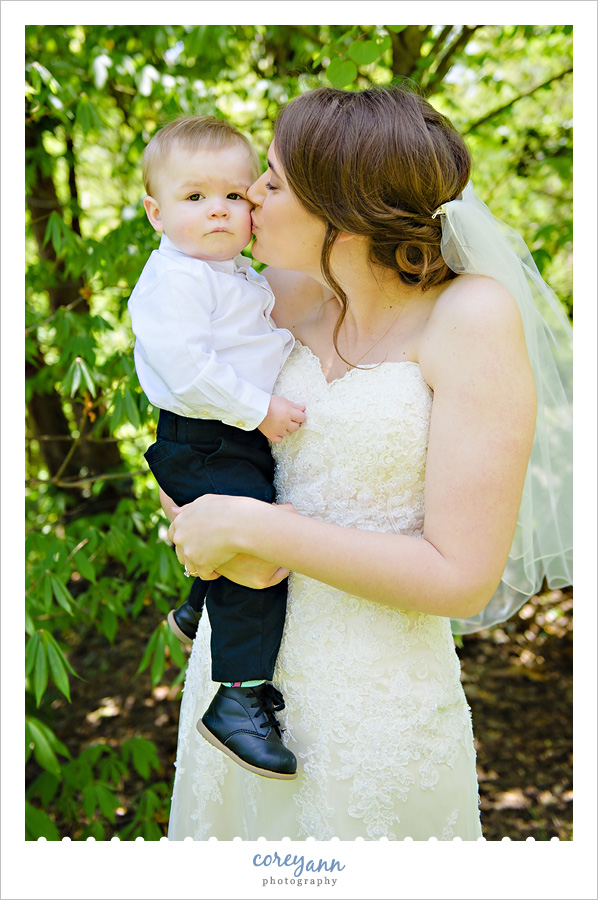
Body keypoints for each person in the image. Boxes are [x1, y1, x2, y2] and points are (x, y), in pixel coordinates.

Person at [163, 86, 573, 840]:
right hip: (235, 678)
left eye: (275, 182)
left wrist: (259, 530)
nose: (250, 194)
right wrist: (194, 518)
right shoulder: (270, 298)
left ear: (342, 211)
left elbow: (461, 576)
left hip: (376, 705)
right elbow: (190, 427)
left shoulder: (469, 317)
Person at [128, 116, 308, 780]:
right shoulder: (176, 279)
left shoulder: (231, 273)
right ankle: (236, 700)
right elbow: (187, 371)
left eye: (235, 196)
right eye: (196, 197)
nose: (219, 211)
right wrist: (260, 409)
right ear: (155, 211)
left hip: (225, 438)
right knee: (259, 550)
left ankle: (195, 605)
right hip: (208, 437)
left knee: (243, 539)